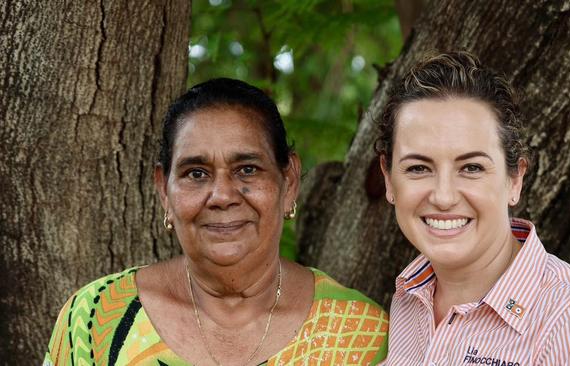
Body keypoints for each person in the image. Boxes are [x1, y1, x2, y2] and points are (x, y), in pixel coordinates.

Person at [44, 78, 388, 366]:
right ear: (164, 190)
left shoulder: (362, 336)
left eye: (247, 169)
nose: (222, 195)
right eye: (196, 173)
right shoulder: (94, 318)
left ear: (290, 182)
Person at [376, 52, 570, 365]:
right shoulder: (411, 299)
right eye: (419, 168)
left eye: (472, 167)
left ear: (514, 179)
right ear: (389, 179)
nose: (444, 196)